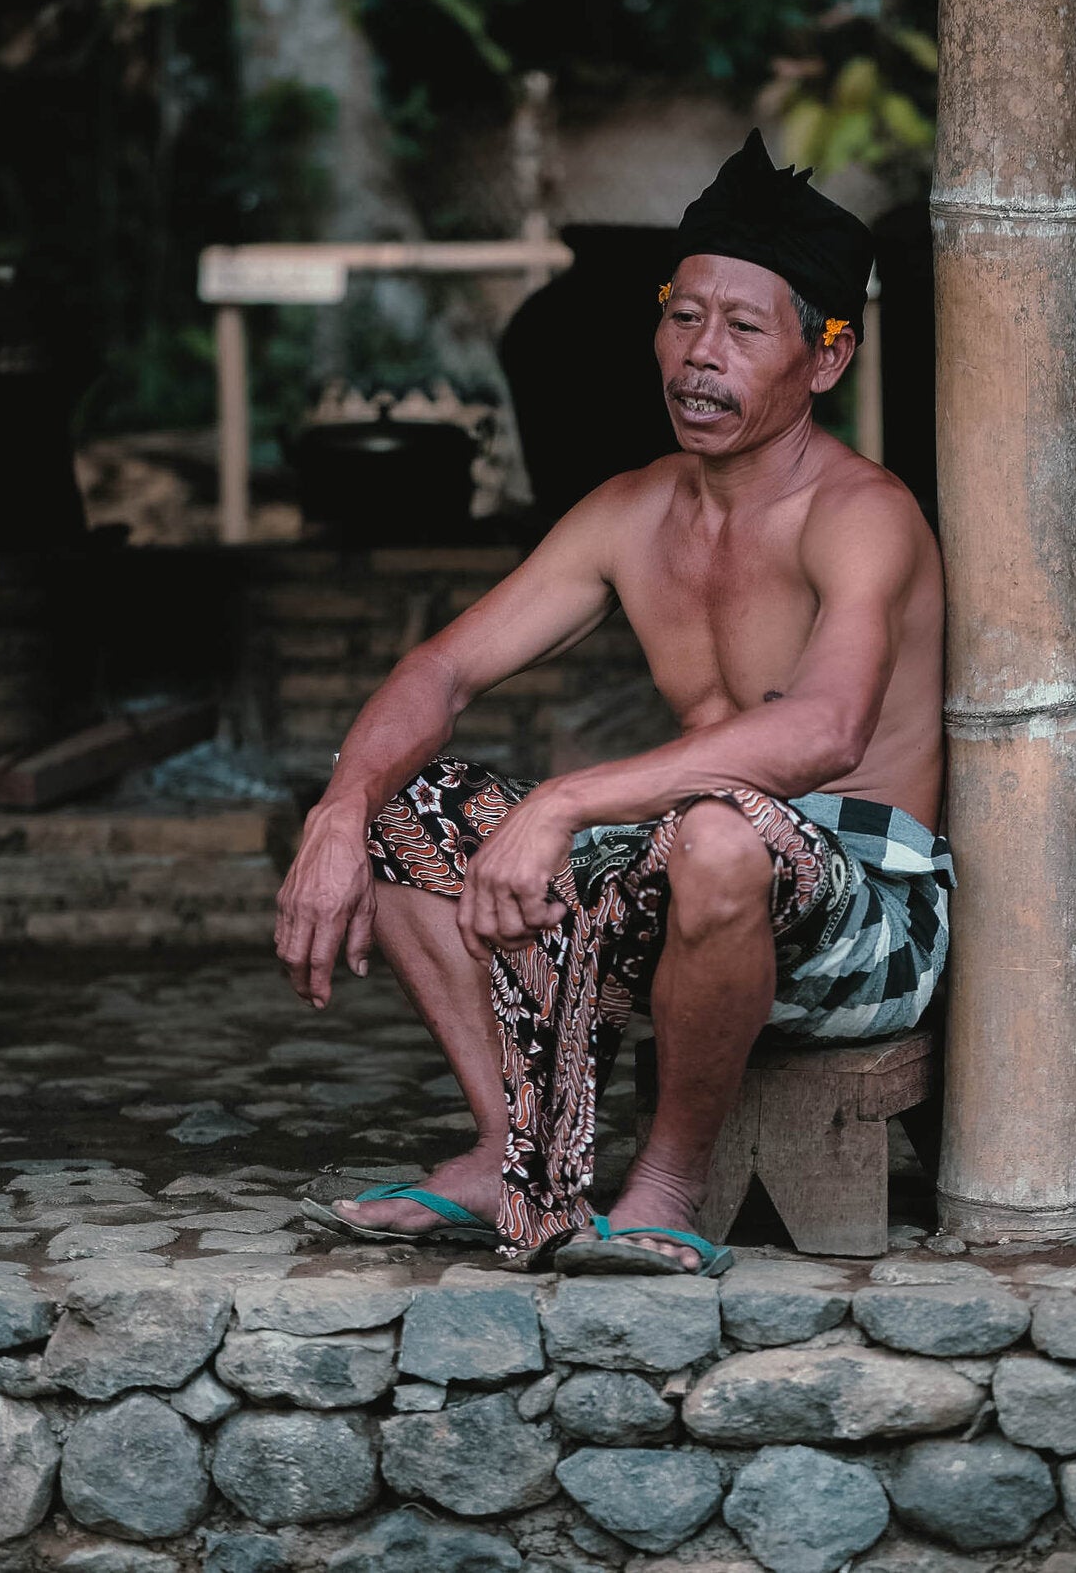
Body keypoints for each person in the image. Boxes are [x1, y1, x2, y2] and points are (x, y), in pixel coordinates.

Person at [274, 130, 954, 1275]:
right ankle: (514, 1152)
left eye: (744, 329)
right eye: (683, 317)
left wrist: (568, 804)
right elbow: (441, 670)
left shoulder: (861, 513)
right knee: (407, 810)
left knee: (719, 838)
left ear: (824, 360)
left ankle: (669, 1182)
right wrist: (340, 811)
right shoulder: (630, 512)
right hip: (688, 881)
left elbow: (826, 729)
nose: (702, 355)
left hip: (867, 917)